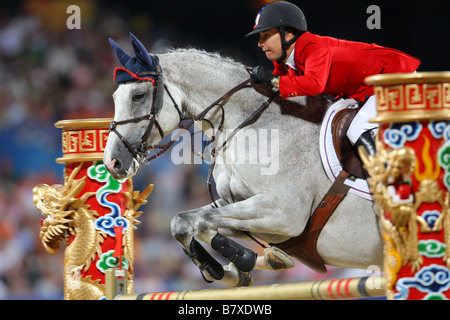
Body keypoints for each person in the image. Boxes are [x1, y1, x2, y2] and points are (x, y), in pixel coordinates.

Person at [247, 1, 420, 157]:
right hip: (370, 89)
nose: (260, 43)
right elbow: (284, 88)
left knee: (357, 129)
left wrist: (272, 80)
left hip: (393, 79)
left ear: (288, 35)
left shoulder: (314, 47)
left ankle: (386, 183)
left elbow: (314, 84)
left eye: (266, 35)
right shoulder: (287, 60)